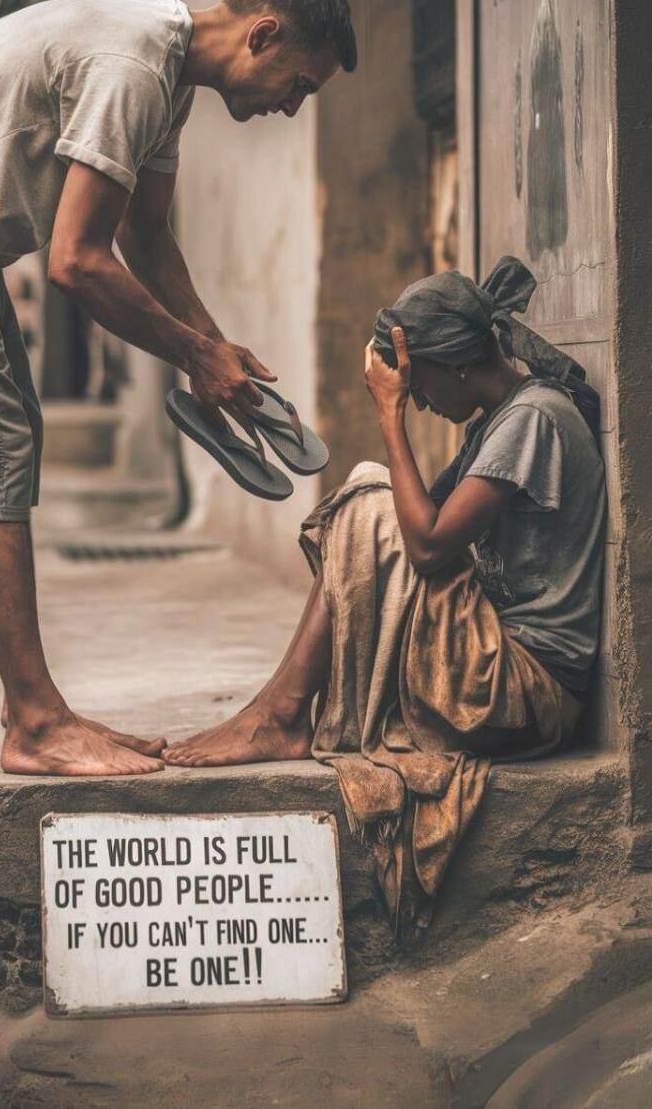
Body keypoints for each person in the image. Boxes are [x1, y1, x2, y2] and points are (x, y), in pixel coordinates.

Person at [0, 0, 357, 778]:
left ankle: (41, 711)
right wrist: (193, 354)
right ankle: (35, 723)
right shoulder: (133, 68)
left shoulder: (164, 75)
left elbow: (147, 239)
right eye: (298, 84)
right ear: (262, 34)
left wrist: (215, 347)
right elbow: (77, 262)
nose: (289, 106)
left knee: (2, 443)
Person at [165, 257, 606, 927]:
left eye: (419, 381)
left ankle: (282, 716)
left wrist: (389, 415)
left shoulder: (534, 419)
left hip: (525, 692)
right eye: (409, 390)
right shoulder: (502, 419)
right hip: (497, 671)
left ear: (456, 364)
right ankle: (279, 714)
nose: (421, 398)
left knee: (372, 486)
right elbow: (413, 533)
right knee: (368, 500)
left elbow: (426, 545)